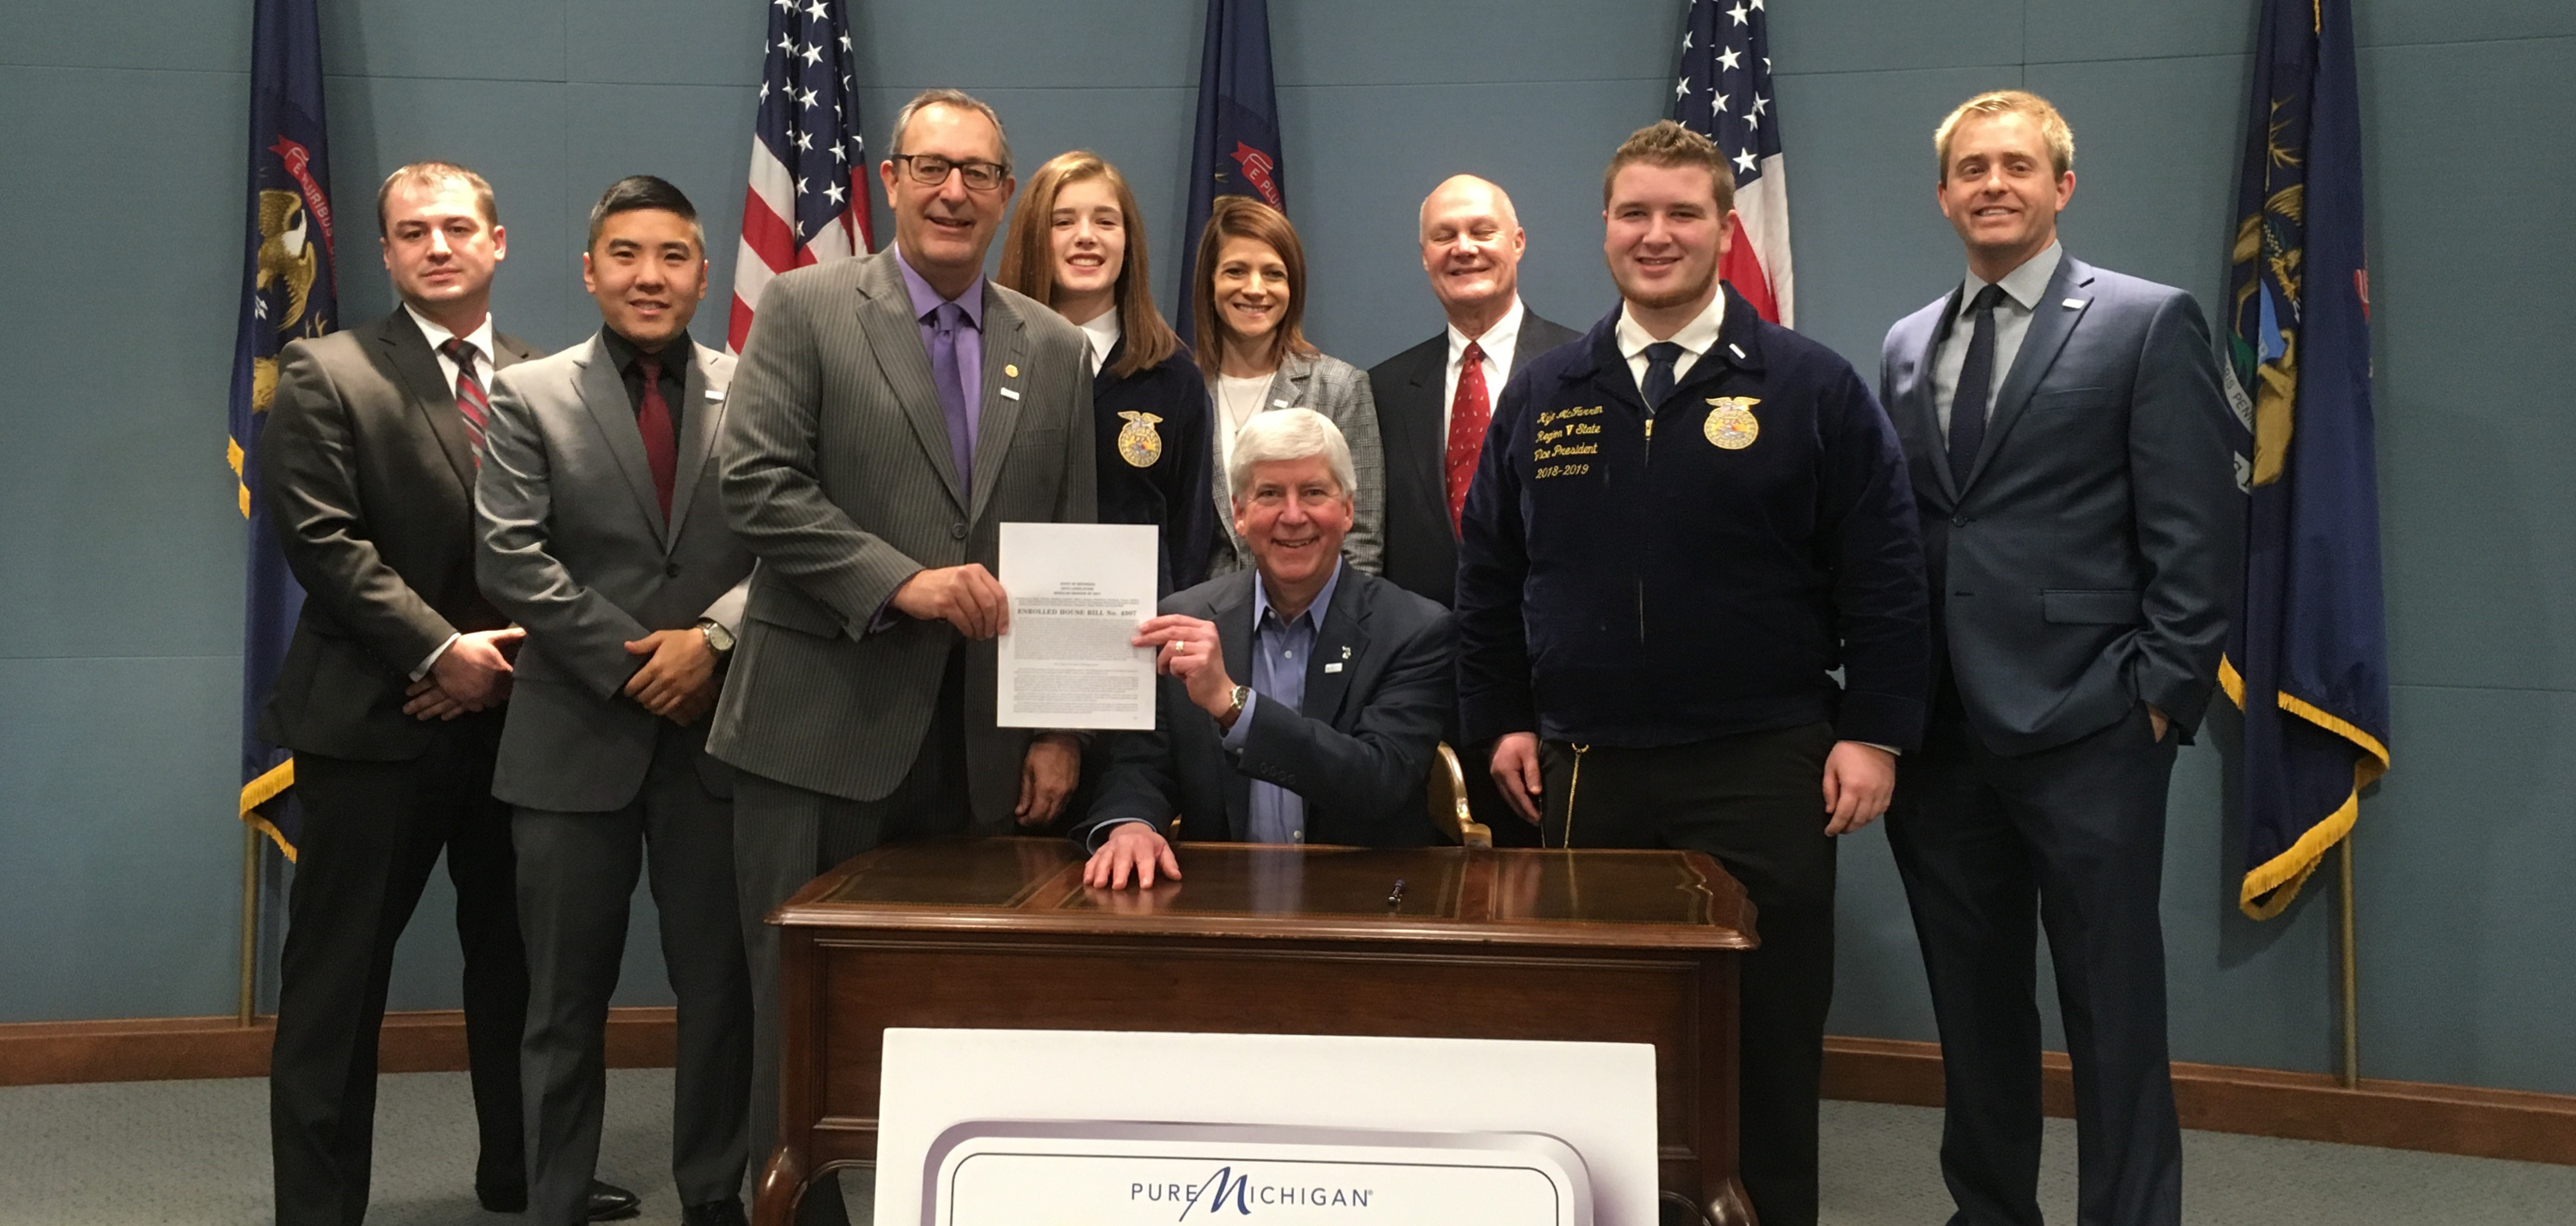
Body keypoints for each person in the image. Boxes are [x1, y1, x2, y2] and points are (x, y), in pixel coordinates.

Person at [1453, 122, 1929, 1226]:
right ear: (1605, 228)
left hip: (1764, 764)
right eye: (1635, 213)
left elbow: (1888, 572)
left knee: (1766, 1038)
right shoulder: (1547, 390)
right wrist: (1503, 721)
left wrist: (1875, 731)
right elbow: (1490, 574)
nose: (1656, 234)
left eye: (1682, 213)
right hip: (1585, 769)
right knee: (1600, 1039)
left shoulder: (1809, 386)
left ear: (1725, 228)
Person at [707, 88, 1094, 1225]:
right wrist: (901, 582)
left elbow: (1069, 547)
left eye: (977, 173)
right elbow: (756, 484)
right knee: (802, 1024)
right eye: (932, 167)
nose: (953, 191)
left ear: (1005, 194)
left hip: (979, 750)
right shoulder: (807, 304)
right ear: (890, 178)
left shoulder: (1057, 345)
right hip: (816, 723)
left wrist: (1059, 721)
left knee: (967, 1015)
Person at [1878, 89, 2240, 1226]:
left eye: (2017, 167)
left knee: (2112, 1010)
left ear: (2061, 187)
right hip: (1943, 739)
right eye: (1971, 168)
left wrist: (2160, 700)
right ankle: (1990, 1211)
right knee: (1975, 1009)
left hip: (2094, 729)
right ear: (1943, 195)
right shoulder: (1903, 343)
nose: (1993, 184)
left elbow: (2197, 535)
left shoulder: (2144, 319)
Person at [260, 161, 638, 1224]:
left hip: (520, 722)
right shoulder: (325, 371)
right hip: (372, 726)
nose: (438, 244)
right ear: (383, 252)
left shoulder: (543, 377)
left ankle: (524, 1169)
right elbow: (325, 544)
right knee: (337, 991)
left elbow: (577, 546)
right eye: (412, 230)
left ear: (499, 241)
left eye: (458, 226)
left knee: (523, 971)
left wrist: (496, 668)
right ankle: (319, 1207)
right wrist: (439, 654)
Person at [476, 177, 755, 1226]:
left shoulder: (757, 383)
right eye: (627, 255)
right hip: (572, 736)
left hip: (719, 737)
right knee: (560, 1003)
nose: (651, 275)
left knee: (723, 995)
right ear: (590, 269)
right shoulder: (530, 393)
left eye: (674, 255)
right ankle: (551, 1200)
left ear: (703, 271)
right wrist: (644, 662)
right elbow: (508, 556)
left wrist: (713, 642)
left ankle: (717, 1195)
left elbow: (792, 539)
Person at [1074, 410, 1455, 887]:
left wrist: (1234, 705)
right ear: (1238, 512)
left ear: (1349, 510)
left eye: (1314, 493)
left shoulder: (1415, 629)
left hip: (1362, 904)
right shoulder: (1182, 619)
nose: (1292, 516)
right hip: (1219, 906)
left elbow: (1379, 782)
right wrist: (1130, 823)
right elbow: (1141, 765)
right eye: (1270, 494)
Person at [999, 150, 1216, 597]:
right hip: (1008, 635)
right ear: (1032, 239)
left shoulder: (1173, 377)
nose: (1086, 237)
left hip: (1135, 644)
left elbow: (1190, 537)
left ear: (1128, 241)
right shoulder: (988, 360)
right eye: (1062, 222)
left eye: (1105, 221)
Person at [1367, 174, 1581, 608]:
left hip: (1552, 644)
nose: (1464, 248)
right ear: (1425, 257)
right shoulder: (1382, 390)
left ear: (1518, 242)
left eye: (1483, 231)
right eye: (1444, 236)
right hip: (1423, 656)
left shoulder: (1584, 370)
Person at [1190, 195, 1385, 579]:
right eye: (1235, 271)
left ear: (1293, 286)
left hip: (1313, 621)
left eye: (1273, 274)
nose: (1255, 289)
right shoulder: (1183, 391)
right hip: (1204, 622)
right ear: (1209, 283)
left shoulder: (1340, 387)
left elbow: (1360, 541)